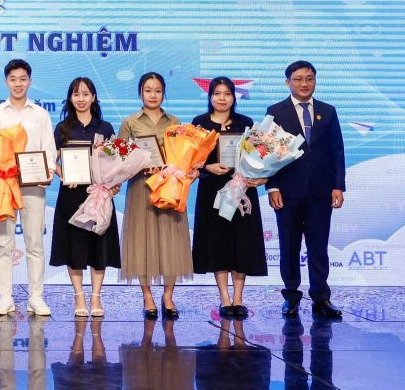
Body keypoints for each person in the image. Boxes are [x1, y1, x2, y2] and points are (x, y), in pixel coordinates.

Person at [266, 60, 345, 319]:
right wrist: (272, 187)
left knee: (318, 246)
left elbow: (337, 151)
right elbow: (267, 152)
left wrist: (338, 186)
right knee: (289, 246)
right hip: (287, 192)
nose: (304, 83)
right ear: (287, 82)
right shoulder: (276, 111)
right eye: (298, 79)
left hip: (321, 192)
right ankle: (291, 297)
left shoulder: (328, 111)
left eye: (309, 78)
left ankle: (321, 298)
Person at [0, 58, 56, 317]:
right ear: (6, 81)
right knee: (3, 242)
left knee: (34, 243)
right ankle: (4, 297)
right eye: (13, 79)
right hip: (4, 185)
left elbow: (49, 148)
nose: (18, 84)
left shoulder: (40, 114)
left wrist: (48, 172)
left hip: (33, 186)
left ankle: (36, 297)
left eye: (22, 79)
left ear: (30, 81)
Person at [191, 77, 266, 318]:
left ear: (234, 97)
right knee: (218, 243)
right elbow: (192, 160)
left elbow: (257, 155)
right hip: (212, 190)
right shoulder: (199, 123)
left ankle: (238, 298)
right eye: (217, 93)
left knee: (241, 242)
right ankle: (225, 298)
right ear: (210, 96)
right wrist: (208, 167)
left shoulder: (246, 123)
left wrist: (256, 174)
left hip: (241, 188)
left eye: (227, 93)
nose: (222, 98)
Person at [118, 72, 189, 320]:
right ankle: (147, 296)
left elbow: (184, 155)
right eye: (148, 90)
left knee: (172, 241)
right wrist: (138, 165)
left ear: (164, 93)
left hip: (169, 187)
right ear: (140, 93)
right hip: (141, 188)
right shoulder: (129, 122)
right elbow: (120, 157)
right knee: (142, 242)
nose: (153, 95)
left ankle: (168, 296)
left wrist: (174, 165)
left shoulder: (175, 121)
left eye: (158, 90)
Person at [49, 76, 119, 319]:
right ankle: (79, 296)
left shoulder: (105, 128)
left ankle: (96, 296)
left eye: (86, 94)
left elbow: (115, 162)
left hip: (99, 195)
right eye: (76, 94)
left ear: (94, 97)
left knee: (99, 246)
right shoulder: (62, 128)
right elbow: (52, 160)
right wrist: (63, 176)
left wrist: (114, 184)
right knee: (74, 247)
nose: (81, 99)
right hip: (71, 195)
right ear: (70, 98)